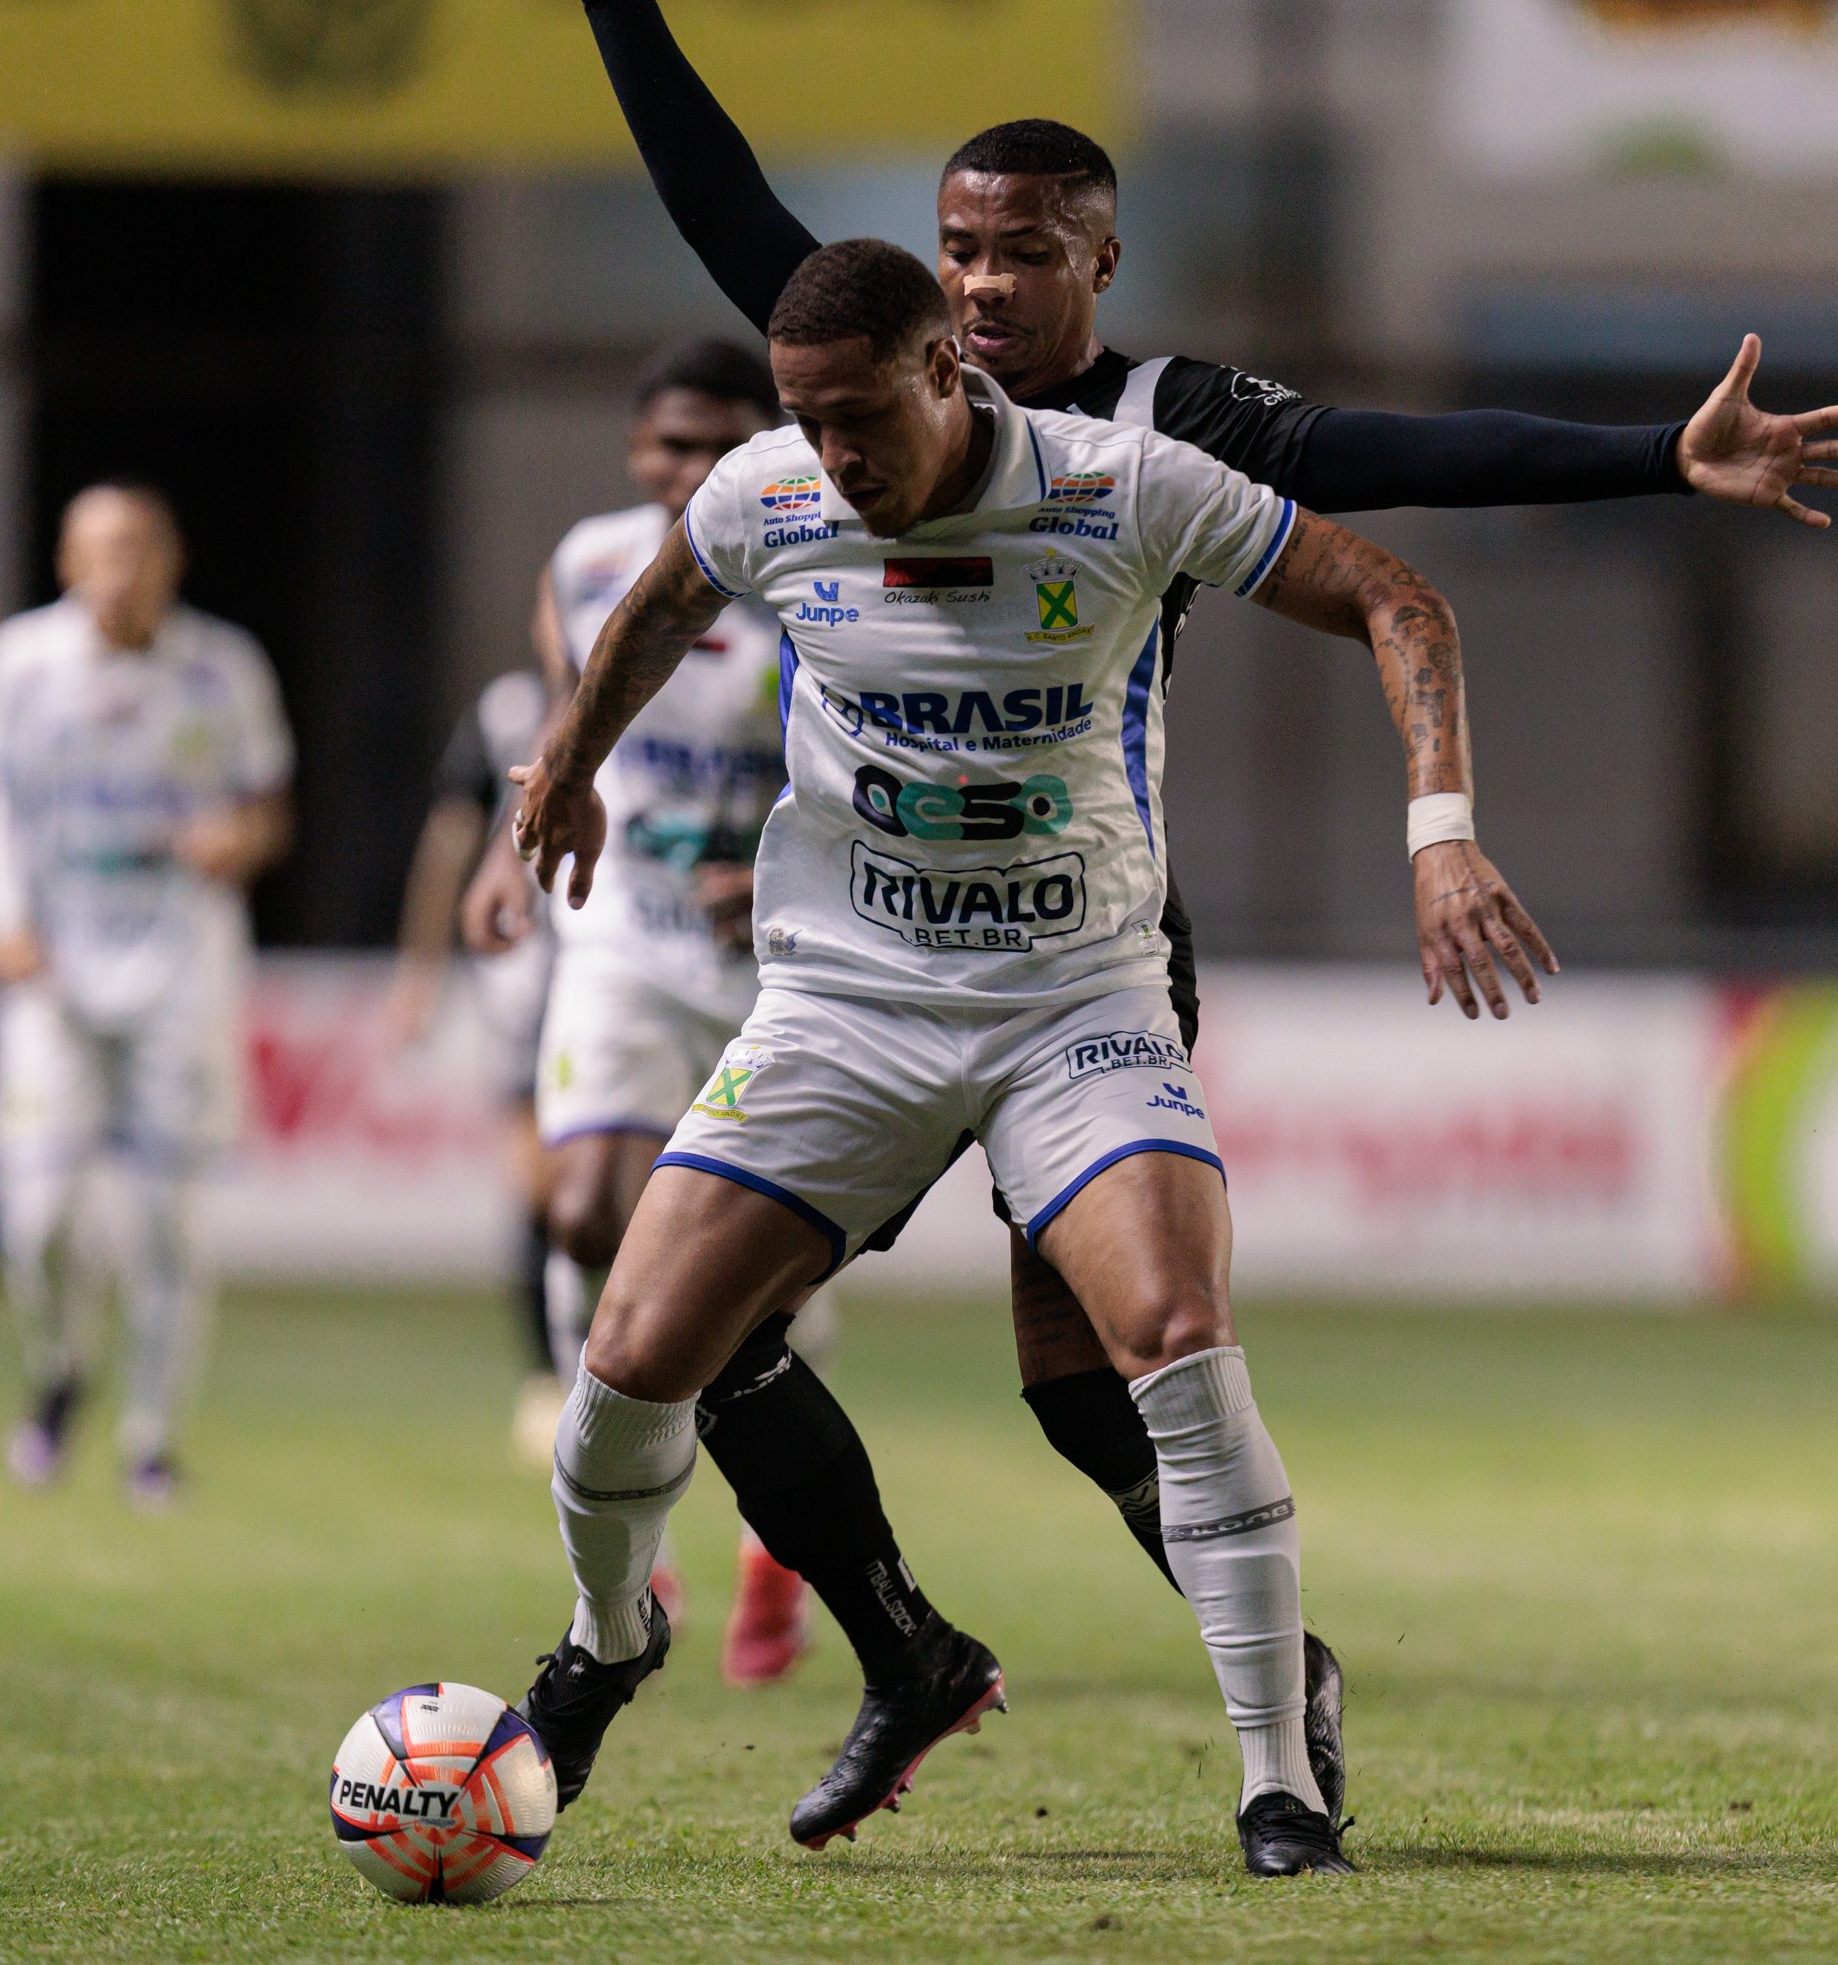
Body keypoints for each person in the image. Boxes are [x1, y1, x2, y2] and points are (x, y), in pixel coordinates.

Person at [552, 0, 1838, 1826]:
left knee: (1086, 1377)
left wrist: (1656, 458)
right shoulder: (858, 380)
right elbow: (722, 203)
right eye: (959, 250)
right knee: (711, 1336)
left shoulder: (1158, 432)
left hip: (1080, 944)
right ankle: (899, 1646)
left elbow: (1396, 473)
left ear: (1102, 262)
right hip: (865, 954)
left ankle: (1272, 1685)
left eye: (1025, 254)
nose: (982, 286)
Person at [511, 238, 1555, 1876]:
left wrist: (1440, 832)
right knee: (636, 1355)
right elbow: (661, 605)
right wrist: (572, 757)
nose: (832, 459)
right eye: (804, 421)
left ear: (947, 372)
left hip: (1075, 1001)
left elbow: (1394, 595)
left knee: (1172, 1338)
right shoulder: (769, 492)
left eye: (859, 418)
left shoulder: (1118, 484)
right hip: (846, 1001)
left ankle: (1280, 1781)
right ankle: (608, 1641)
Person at [457, 336, 817, 1679]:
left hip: (777, 958)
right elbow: (571, 715)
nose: (692, 466)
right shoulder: (588, 562)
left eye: (722, 443)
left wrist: (782, 865)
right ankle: (630, 1529)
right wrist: (511, 853)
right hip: (618, 931)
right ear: (634, 450)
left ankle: (779, 1540)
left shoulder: (816, 572)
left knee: (768, 1274)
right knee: (582, 1207)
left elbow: (867, 758)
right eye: (672, 443)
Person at [0, 483, 294, 1508]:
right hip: (55, 963)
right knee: (40, 1217)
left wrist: (238, 840)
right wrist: (2, 919)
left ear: (172, 560)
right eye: (102, 549)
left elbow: (268, 809)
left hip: (183, 961)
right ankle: (61, 1363)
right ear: (68, 563)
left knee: (166, 1220)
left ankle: (152, 1436)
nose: (123, 568)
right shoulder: (21, 660)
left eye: (141, 546)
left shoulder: (223, 666)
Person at [384, 661, 567, 1470]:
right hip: (526, 965)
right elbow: (451, 836)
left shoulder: (655, 680)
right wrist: (420, 967)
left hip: (636, 961)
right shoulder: (505, 710)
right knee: (539, 1182)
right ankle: (548, 1377)